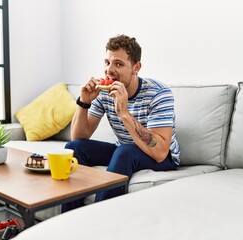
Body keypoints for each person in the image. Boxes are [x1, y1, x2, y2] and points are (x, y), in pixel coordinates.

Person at [62, 34, 180, 212]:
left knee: (125, 151)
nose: (109, 70)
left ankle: (98, 218)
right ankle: (68, 219)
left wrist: (124, 113)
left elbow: (160, 152)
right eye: (107, 63)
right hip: (124, 149)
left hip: (164, 157)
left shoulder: (158, 93)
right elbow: (79, 137)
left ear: (136, 67)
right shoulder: (104, 92)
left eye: (118, 64)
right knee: (75, 147)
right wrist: (84, 102)